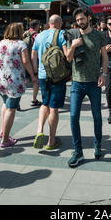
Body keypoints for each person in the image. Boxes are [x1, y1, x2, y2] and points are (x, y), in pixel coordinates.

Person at [66, 8, 108, 167]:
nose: (80, 22)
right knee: (73, 116)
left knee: (97, 116)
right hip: (77, 83)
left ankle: (98, 145)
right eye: (77, 20)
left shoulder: (99, 35)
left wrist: (103, 74)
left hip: (94, 82)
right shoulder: (73, 35)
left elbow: (104, 57)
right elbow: (68, 59)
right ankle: (78, 151)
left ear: (88, 18)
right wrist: (73, 46)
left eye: (82, 19)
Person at [0, 23, 37, 148]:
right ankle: (5, 139)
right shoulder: (21, 44)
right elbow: (26, 61)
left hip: (0, 80)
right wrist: (32, 75)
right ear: (19, 31)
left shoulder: (0, 43)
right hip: (14, 82)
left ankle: (2, 131)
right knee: (11, 108)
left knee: (5, 104)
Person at [31, 15, 68, 150]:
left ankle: (39, 130)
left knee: (44, 103)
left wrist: (35, 72)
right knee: (54, 108)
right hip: (57, 76)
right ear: (58, 23)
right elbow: (66, 53)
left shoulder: (39, 35)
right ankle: (51, 141)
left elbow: (33, 55)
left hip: (42, 75)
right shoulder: (61, 34)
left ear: (49, 23)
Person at [23, 20, 42, 107]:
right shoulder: (37, 35)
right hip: (34, 61)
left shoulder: (24, 34)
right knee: (36, 80)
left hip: (24, 60)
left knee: (25, 80)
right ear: (36, 26)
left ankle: (18, 100)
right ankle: (34, 99)